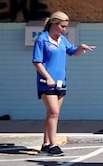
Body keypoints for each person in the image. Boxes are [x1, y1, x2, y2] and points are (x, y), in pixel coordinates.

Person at [32, 11, 96, 156]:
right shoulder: (42, 39)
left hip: (61, 82)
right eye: (62, 26)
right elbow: (37, 61)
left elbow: (73, 52)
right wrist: (48, 77)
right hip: (46, 82)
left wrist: (81, 48)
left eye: (66, 27)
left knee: (52, 114)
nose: (64, 30)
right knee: (54, 112)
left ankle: (46, 144)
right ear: (54, 24)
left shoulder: (61, 40)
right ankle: (54, 145)